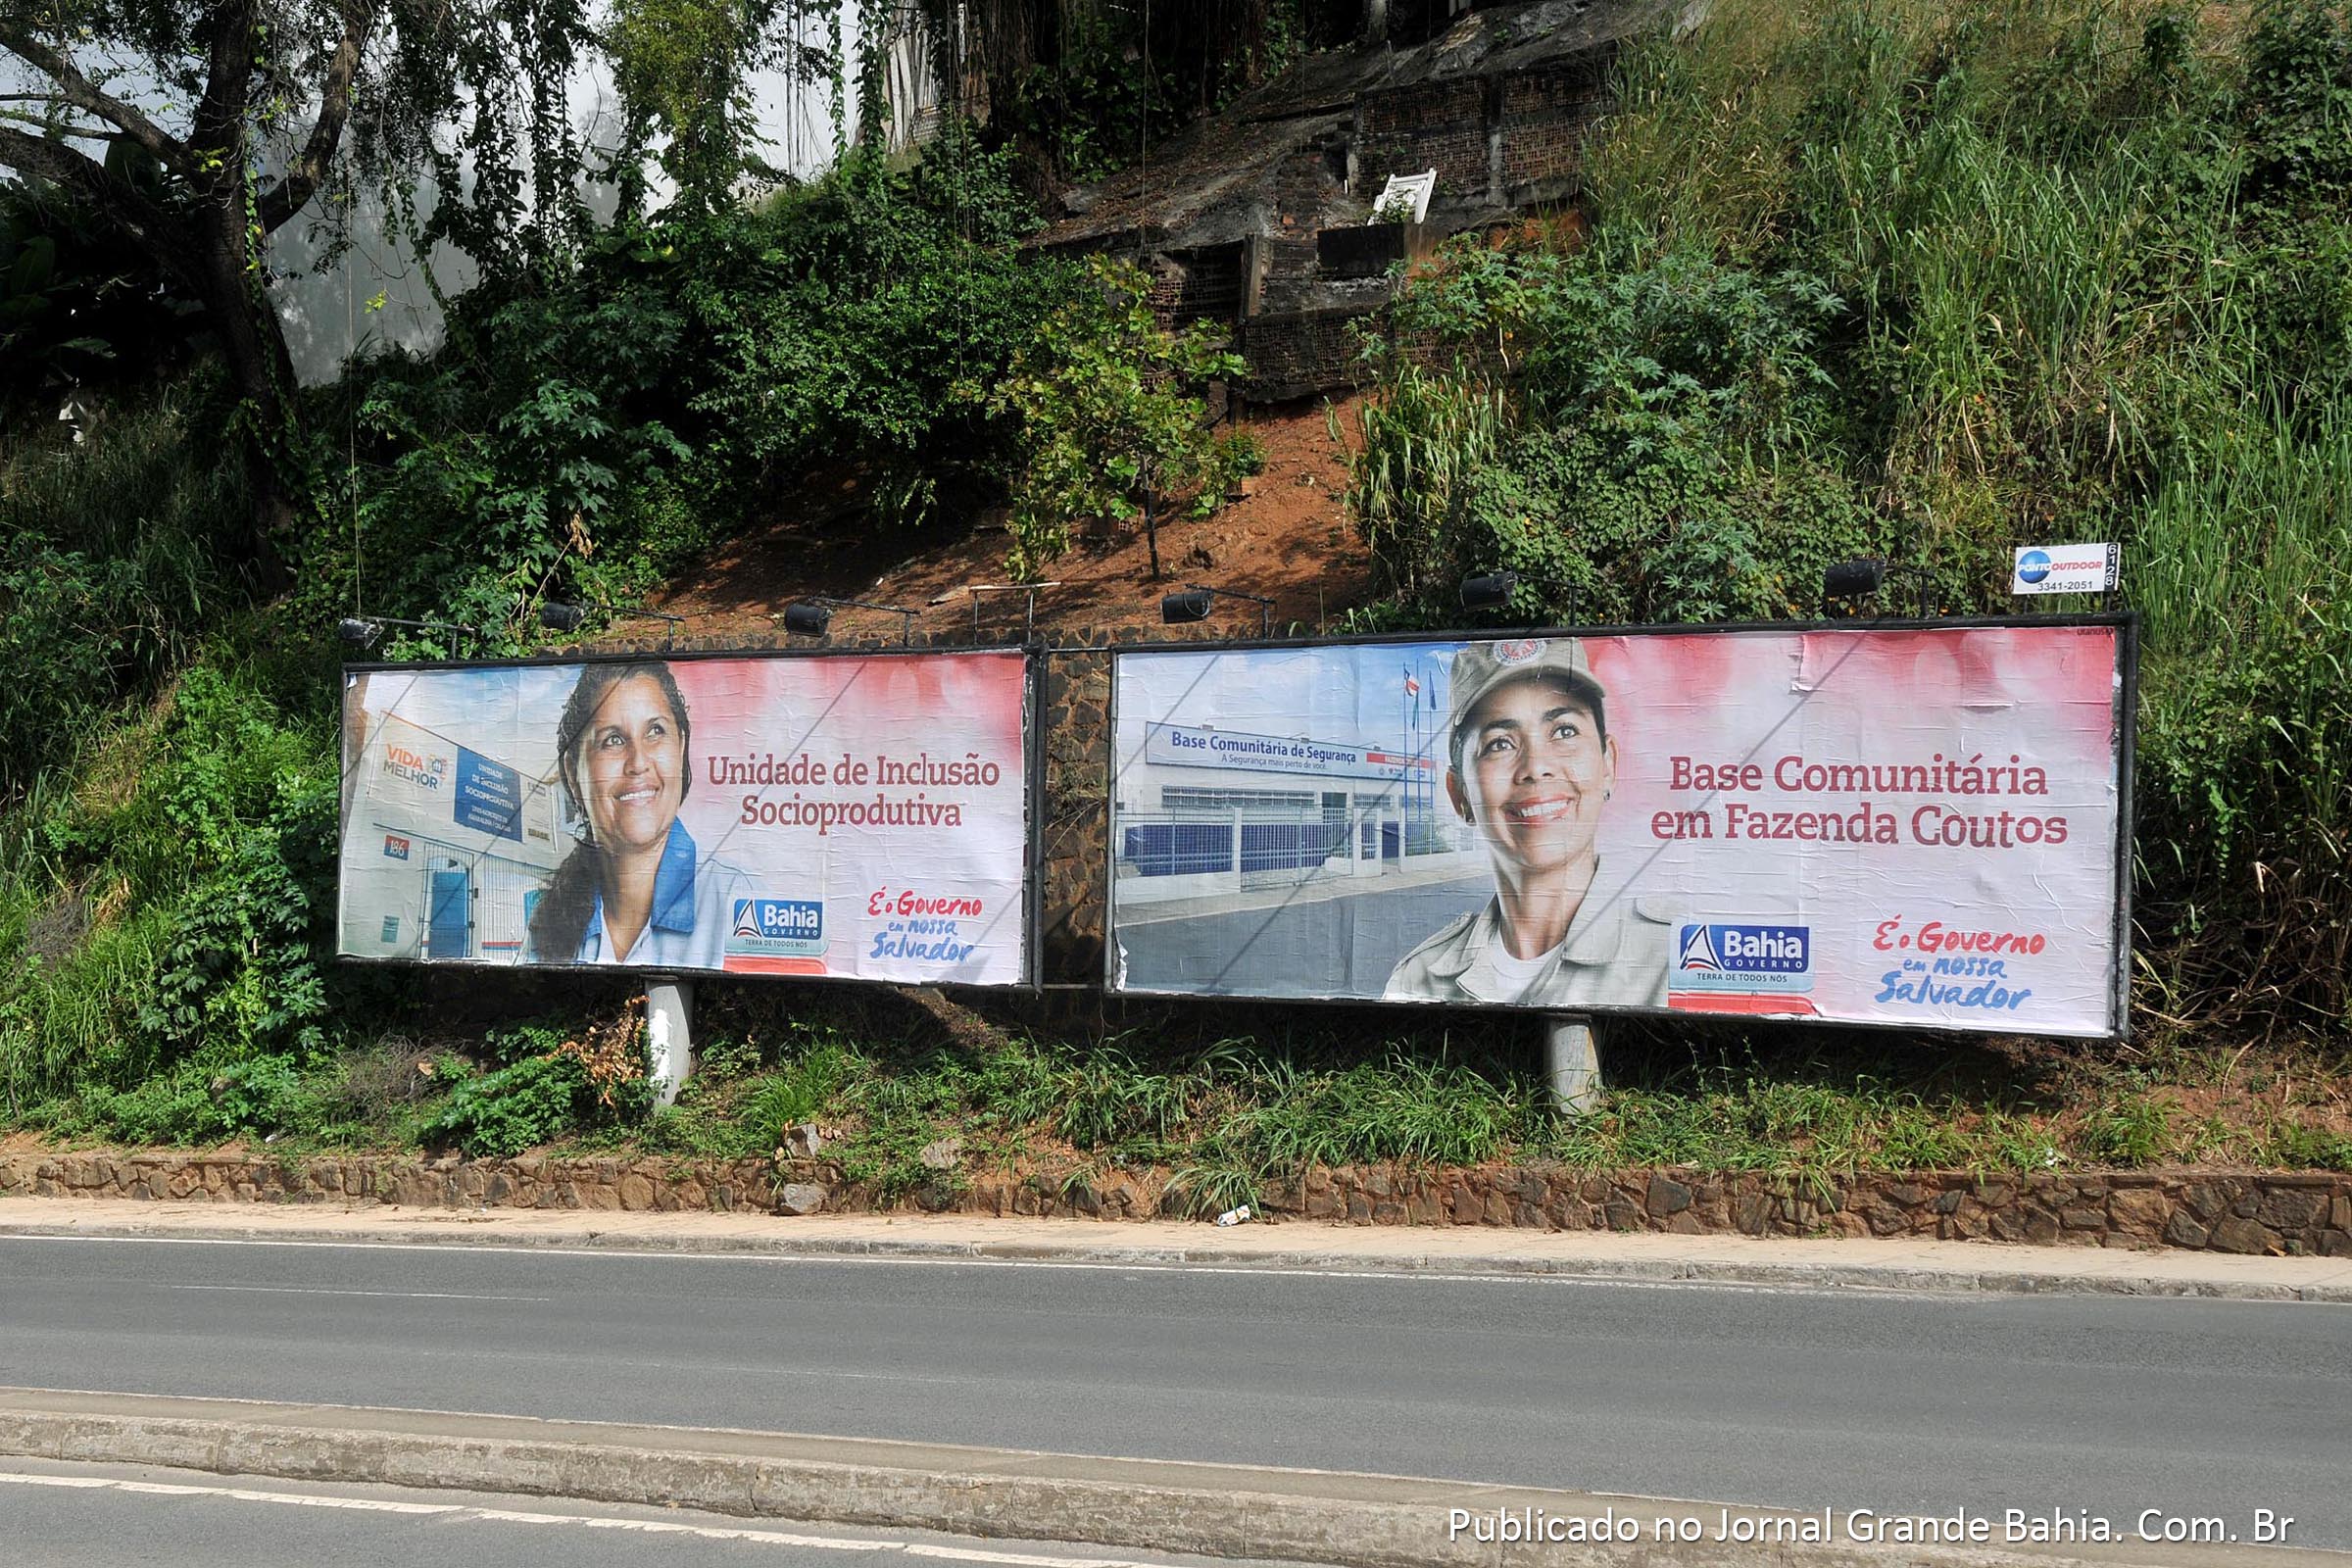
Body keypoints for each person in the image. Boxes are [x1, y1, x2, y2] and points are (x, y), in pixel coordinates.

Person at [1384, 637, 1670, 1007]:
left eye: (1564, 731)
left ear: (1608, 765)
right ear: (1460, 795)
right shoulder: (1420, 980)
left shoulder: (1670, 959)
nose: (1535, 768)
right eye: (1500, 743)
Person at [526, 661, 750, 968]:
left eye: (655, 731)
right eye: (613, 740)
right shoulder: (547, 919)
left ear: (681, 747)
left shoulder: (733, 901)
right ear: (573, 773)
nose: (638, 762)